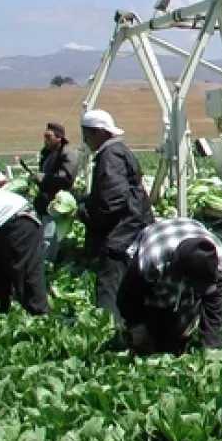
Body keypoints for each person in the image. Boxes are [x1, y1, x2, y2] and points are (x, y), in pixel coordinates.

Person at [77, 109, 155, 320]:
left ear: (100, 132)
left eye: (87, 134)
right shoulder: (118, 152)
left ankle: (109, 329)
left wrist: (86, 214)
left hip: (120, 234)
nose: (86, 140)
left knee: (110, 289)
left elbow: (113, 200)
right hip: (130, 229)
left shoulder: (110, 156)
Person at [116, 217, 222, 356]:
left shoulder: (221, 262)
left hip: (183, 244)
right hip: (159, 242)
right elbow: (128, 295)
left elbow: (214, 308)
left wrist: (211, 349)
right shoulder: (153, 260)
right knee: (153, 332)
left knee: (176, 337)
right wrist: (137, 328)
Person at [18, 122, 78, 262]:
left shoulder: (67, 154)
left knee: (49, 238)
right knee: (41, 236)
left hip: (57, 203)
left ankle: (46, 265)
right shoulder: (47, 152)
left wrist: (44, 178)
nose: (46, 140)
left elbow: (66, 178)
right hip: (44, 201)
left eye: (49, 137)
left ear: (59, 137)